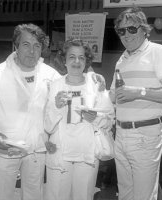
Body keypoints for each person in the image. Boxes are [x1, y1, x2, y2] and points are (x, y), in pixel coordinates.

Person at [0, 23, 60, 200]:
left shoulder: (51, 75)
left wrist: (91, 79)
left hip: (37, 150)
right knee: (1, 195)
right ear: (16, 45)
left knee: (34, 195)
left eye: (37, 46)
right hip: (5, 149)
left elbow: (68, 97)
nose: (32, 51)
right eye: (26, 44)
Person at [109, 7, 162, 200]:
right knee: (125, 194)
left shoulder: (158, 52)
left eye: (131, 29)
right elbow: (114, 96)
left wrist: (139, 92)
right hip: (120, 134)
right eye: (121, 31)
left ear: (144, 30)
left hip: (144, 136)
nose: (126, 34)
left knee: (143, 196)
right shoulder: (122, 59)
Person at [44, 39, 115, 200]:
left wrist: (96, 118)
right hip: (60, 154)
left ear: (86, 61)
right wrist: (55, 106)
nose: (77, 61)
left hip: (87, 155)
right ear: (64, 60)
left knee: (83, 196)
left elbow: (110, 119)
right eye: (72, 57)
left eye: (81, 57)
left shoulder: (95, 83)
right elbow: (48, 126)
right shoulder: (55, 85)